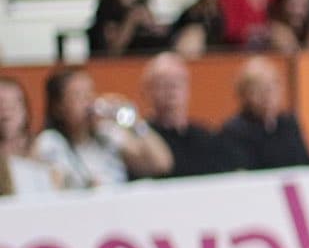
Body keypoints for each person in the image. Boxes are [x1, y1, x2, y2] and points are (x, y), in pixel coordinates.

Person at [35, 67, 172, 188]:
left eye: (90, 92)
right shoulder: (51, 143)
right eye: (78, 95)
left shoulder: (107, 133)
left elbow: (161, 164)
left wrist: (135, 123)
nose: (88, 102)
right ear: (59, 107)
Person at [141, 51, 246, 176]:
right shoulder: (141, 137)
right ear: (147, 91)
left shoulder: (207, 137)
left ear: (188, 89)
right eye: (163, 83)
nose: (172, 89)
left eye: (178, 82)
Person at [220, 56, 309, 169]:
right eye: (258, 88)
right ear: (244, 93)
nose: (268, 94)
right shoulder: (234, 131)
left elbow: (308, 166)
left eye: (273, 85)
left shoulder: (289, 124)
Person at [0, 75, 60, 196]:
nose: (7, 110)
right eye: (1, 103)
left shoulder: (47, 146)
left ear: (26, 110)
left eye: (15, 103)